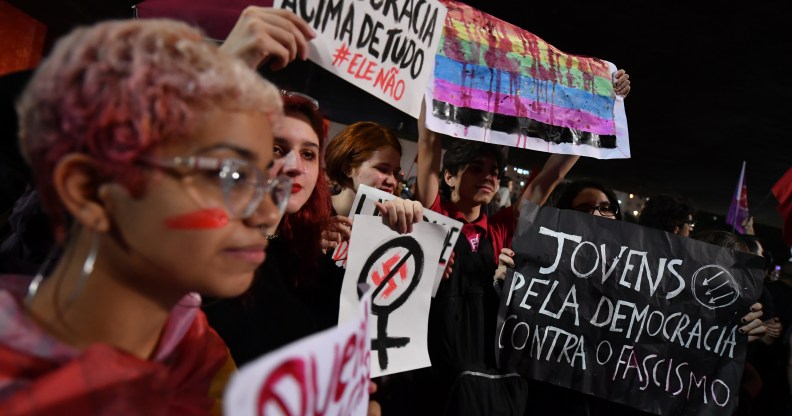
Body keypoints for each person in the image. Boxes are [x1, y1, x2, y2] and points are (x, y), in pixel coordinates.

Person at [0, 19, 286, 414]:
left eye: (264, 183)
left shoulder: (205, 364)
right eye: (226, 175)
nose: (266, 214)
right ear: (89, 190)